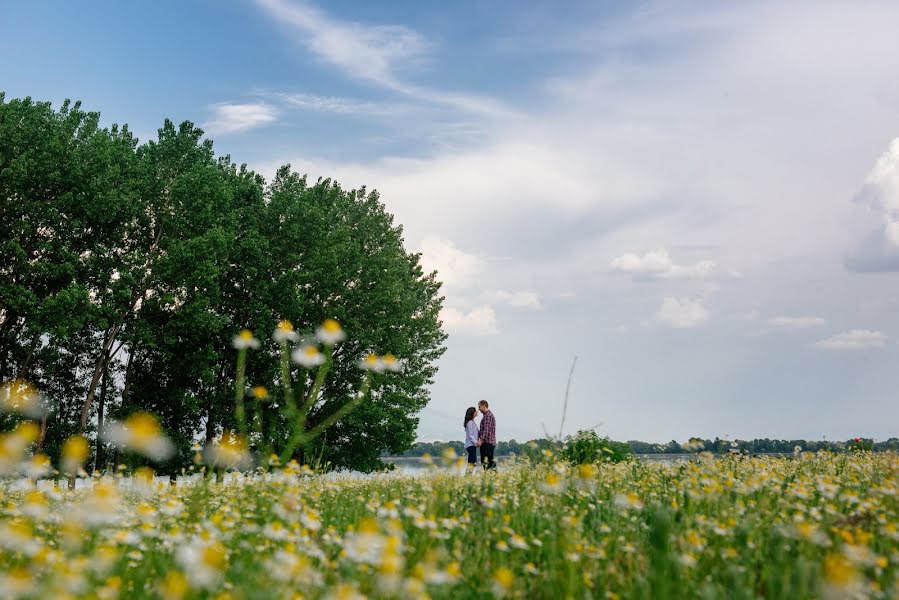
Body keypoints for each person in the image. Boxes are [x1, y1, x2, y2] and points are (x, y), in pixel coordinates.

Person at [477, 399, 497, 470]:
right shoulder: (487, 415)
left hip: (487, 443)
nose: (478, 409)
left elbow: (486, 430)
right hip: (489, 443)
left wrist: (480, 441)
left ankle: (490, 479)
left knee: (487, 464)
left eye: (479, 407)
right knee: (491, 464)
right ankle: (495, 479)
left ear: (484, 406)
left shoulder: (487, 416)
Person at [463, 407, 479, 472]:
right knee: (472, 463)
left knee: (472, 463)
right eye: (475, 411)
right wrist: (476, 442)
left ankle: (468, 478)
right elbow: (470, 435)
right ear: (472, 413)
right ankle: (467, 477)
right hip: (471, 445)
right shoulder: (470, 422)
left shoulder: (472, 422)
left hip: (472, 445)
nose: (477, 412)